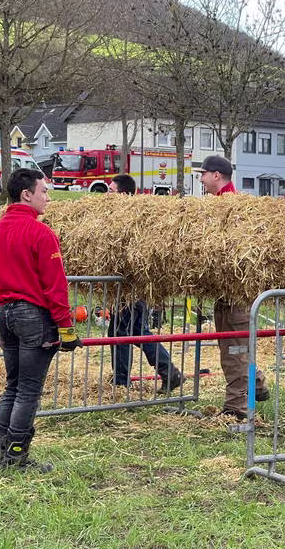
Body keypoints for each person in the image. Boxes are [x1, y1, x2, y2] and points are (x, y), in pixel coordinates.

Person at [0, 168, 82, 472]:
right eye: (44, 192)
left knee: (12, 386)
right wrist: (66, 327)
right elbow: (55, 285)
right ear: (26, 194)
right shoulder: (41, 233)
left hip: (4, 314)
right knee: (28, 390)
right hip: (32, 316)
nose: (48, 198)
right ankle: (16, 457)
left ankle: (0, 455)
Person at [195, 155, 269, 420]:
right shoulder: (216, 206)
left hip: (237, 292)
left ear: (216, 175)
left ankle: (237, 408)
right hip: (223, 292)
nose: (200, 179)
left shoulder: (234, 208)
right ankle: (257, 383)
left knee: (235, 351)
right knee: (233, 347)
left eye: (203, 174)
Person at [107, 173, 184, 391]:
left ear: (123, 194)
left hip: (132, 286)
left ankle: (161, 372)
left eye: (111, 191)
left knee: (126, 331)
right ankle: (129, 377)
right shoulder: (119, 217)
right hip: (127, 287)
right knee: (126, 331)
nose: (107, 195)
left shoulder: (131, 219)